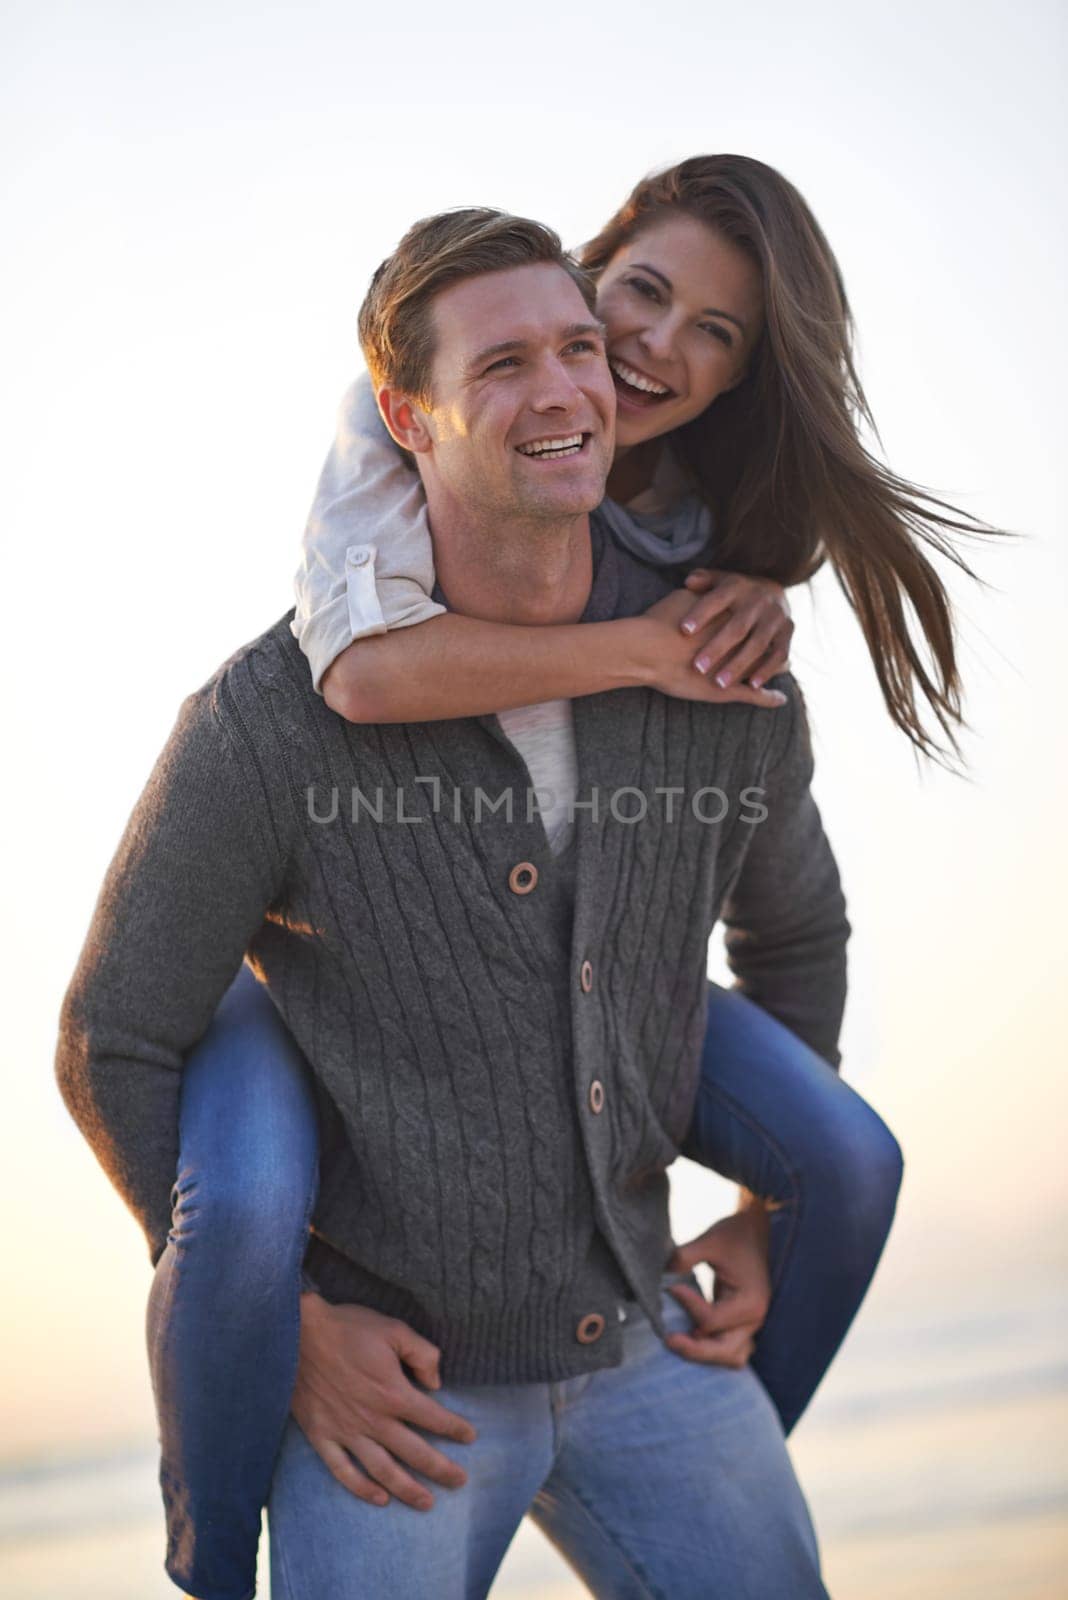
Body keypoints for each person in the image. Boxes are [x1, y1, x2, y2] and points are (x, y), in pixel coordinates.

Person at [57, 203, 859, 1599]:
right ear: (404, 419)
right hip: (398, 1417)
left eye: (577, 350)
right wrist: (292, 1332)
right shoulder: (269, 723)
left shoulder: (721, 674)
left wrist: (762, 1220)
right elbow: (113, 1035)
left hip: (648, 1351)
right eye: (499, 367)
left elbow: (795, 937)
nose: (558, 390)